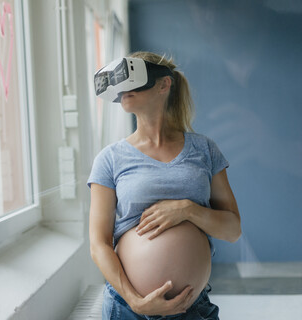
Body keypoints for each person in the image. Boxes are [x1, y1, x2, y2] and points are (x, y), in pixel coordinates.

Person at [88, 51, 241, 319]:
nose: (124, 90)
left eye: (132, 81)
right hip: (129, 309)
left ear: (163, 84)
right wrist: (135, 301)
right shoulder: (109, 159)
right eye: (119, 84)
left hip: (193, 308)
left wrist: (188, 209)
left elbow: (232, 230)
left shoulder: (205, 150)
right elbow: (98, 244)